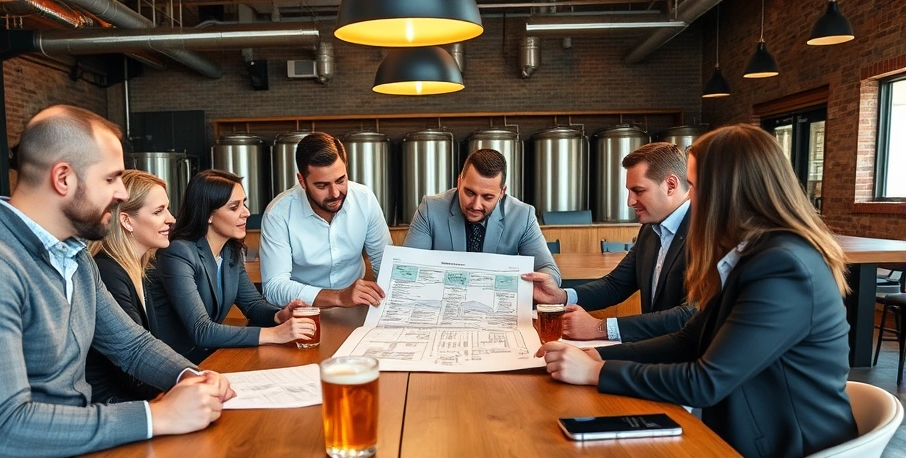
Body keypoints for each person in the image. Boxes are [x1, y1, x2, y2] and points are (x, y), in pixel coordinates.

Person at [0, 105, 234, 458]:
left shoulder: (74, 257)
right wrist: (157, 415)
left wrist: (191, 377)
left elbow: (131, 345)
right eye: (111, 178)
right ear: (63, 178)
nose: (120, 193)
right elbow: (7, 430)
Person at [536, 124, 857, 458]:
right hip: (749, 438)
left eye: (697, 186)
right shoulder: (751, 254)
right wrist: (596, 354)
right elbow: (689, 339)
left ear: (728, 191)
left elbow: (705, 382)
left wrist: (597, 371)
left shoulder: (784, 266)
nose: (691, 198)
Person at [523, 142, 694, 342]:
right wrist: (561, 297)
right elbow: (615, 285)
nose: (630, 201)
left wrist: (601, 327)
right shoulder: (650, 229)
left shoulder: (706, 233)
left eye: (638, 191)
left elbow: (690, 314)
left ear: (671, 185)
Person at [151, 169, 315, 364]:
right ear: (208, 215)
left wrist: (279, 315)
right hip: (173, 365)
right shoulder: (178, 253)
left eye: (243, 203)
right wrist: (274, 334)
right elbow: (201, 330)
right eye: (234, 207)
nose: (246, 213)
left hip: (209, 358)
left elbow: (252, 305)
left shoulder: (229, 251)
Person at [260, 132, 392, 308]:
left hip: (355, 309)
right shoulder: (278, 214)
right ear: (302, 181)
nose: (335, 193)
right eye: (322, 185)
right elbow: (274, 287)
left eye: (340, 180)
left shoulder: (364, 199)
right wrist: (338, 297)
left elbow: (387, 264)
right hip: (303, 313)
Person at [403, 148, 562, 285]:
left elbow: (549, 270)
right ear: (459, 182)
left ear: (502, 192)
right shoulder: (430, 209)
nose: (476, 205)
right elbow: (406, 268)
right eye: (470, 193)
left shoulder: (522, 216)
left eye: (487, 197)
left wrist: (538, 283)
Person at [85, 169, 175, 403]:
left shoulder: (135, 267)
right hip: (114, 408)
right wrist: (184, 389)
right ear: (126, 220)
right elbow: (130, 368)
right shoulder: (108, 272)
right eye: (159, 211)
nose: (171, 218)